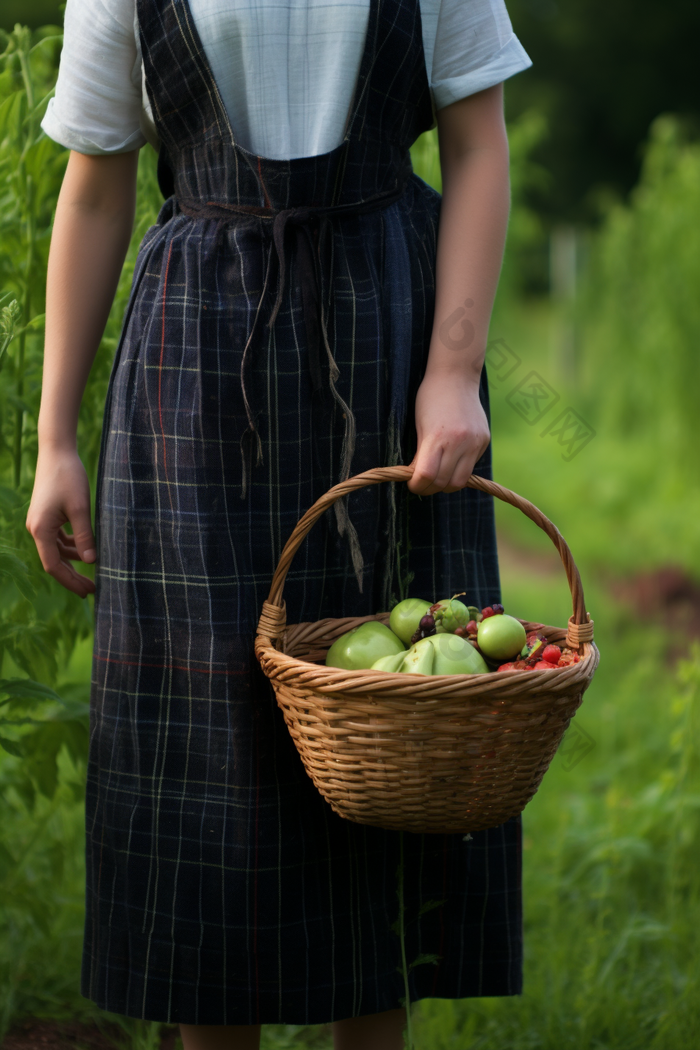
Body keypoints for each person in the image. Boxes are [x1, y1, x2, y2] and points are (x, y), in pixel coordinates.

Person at [27, 0, 531, 1046]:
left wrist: (452, 373)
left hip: (389, 342)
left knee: (387, 722)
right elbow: (95, 187)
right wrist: (54, 441)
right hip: (194, 367)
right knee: (211, 743)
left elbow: (479, 145)